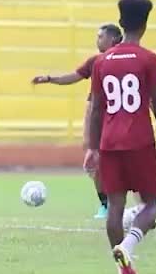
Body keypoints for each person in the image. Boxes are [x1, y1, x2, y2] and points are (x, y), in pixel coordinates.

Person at [83, 0, 156, 274]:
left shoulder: (102, 61)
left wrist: (92, 147)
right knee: (152, 203)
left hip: (110, 142)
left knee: (115, 205)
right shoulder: (149, 59)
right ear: (145, 24)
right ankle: (129, 248)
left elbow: (96, 108)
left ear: (121, 22)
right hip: (139, 141)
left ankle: (121, 271)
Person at [32, 23, 124, 220]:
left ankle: (131, 204)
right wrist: (50, 79)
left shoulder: (128, 61)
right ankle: (105, 204)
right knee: (96, 165)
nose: (97, 40)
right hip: (100, 118)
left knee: (123, 163)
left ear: (114, 39)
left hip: (122, 119)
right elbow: (74, 76)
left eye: (101, 37)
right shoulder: (96, 61)